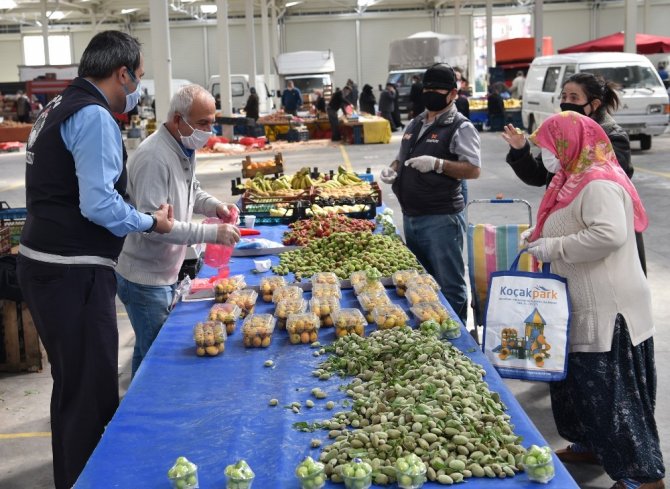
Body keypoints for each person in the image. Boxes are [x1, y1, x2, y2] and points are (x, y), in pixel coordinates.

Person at [16, 30, 174, 489]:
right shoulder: (93, 115)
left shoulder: (56, 107)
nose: (137, 89)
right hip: (71, 272)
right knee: (91, 391)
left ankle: (73, 477)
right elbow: (99, 205)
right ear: (121, 73)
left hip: (46, 264)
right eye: (138, 78)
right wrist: (149, 223)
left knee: (72, 386)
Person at [523, 111, 664, 489]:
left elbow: (609, 234)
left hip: (608, 307)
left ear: (571, 144)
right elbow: (572, 222)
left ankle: (642, 476)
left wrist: (554, 245)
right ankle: (590, 446)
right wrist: (537, 236)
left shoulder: (597, 182)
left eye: (550, 147)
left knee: (611, 395)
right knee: (580, 389)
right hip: (578, 301)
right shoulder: (570, 180)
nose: (546, 156)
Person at [116, 84, 241, 377]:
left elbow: (191, 190)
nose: (209, 131)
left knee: (147, 351)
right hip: (145, 278)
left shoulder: (183, 146)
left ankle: (136, 413)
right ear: (177, 120)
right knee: (156, 359)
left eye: (212, 122)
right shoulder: (153, 158)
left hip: (164, 271)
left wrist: (215, 207)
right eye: (202, 123)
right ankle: (146, 416)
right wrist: (212, 234)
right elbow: (156, 226)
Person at [501, 72, 646, 274]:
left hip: (597, 242)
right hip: (570, 236)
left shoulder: (612, 137)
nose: (566, 103)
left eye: (574, 98)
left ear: (594, 105)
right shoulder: (562, 137)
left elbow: (605, 182)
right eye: (564, 97)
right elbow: (536, 175)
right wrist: (520, 149)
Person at [378, 63, 481, 323]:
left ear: (453, 94)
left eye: (438, 89)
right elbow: (403, 158)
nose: (431, 93)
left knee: (450, 284)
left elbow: (472, 169)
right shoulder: (415, 123)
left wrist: (438, 164)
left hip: (441, 218)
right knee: (422, 281)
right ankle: (432, 328)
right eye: (428, 88)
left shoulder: (461, 126)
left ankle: (456, 335)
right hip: (412, 216)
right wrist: (393, 170)